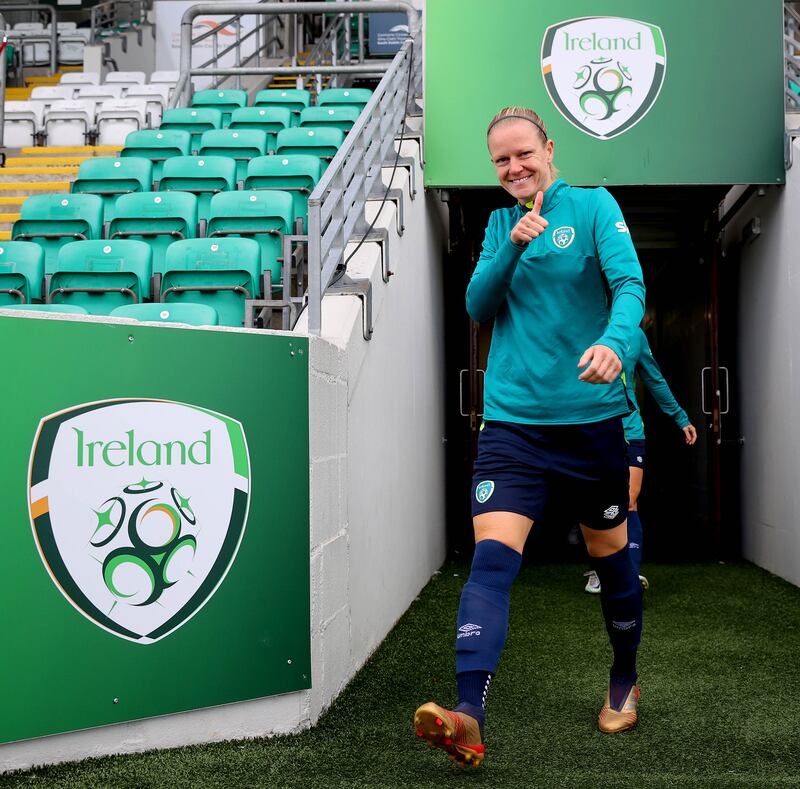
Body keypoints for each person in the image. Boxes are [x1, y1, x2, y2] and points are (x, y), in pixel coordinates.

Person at [413, 106, 646, 768]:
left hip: (592, 426)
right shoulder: (496, 226)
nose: (515, 167)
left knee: (612, 559)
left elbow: (630, 286)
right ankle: (467, 715)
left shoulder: (596, 208)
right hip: (513, 428)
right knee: (492, 560)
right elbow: (478, 306)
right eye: (501, 161)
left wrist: (613, 341)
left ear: (549, 148)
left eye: (524, 153)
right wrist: (514, 243)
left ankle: (624, 673)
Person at [584, 327, 697, 594]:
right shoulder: (583, 321)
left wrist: (681, 417)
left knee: (630, 501)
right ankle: (599, 567)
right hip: (592, 430)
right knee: (594, 503)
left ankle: (629, 577)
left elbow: (654, 379)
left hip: (630, 430)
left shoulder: (634, 335)